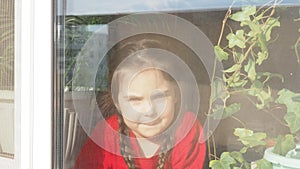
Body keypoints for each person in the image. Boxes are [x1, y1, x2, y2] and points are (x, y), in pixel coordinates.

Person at [74, 34, 206, 169]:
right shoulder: (105, 134)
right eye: (135, 100)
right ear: (117, 102)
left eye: (159, 97)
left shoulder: (186, 129)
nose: (149, 110)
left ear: (176, 94)